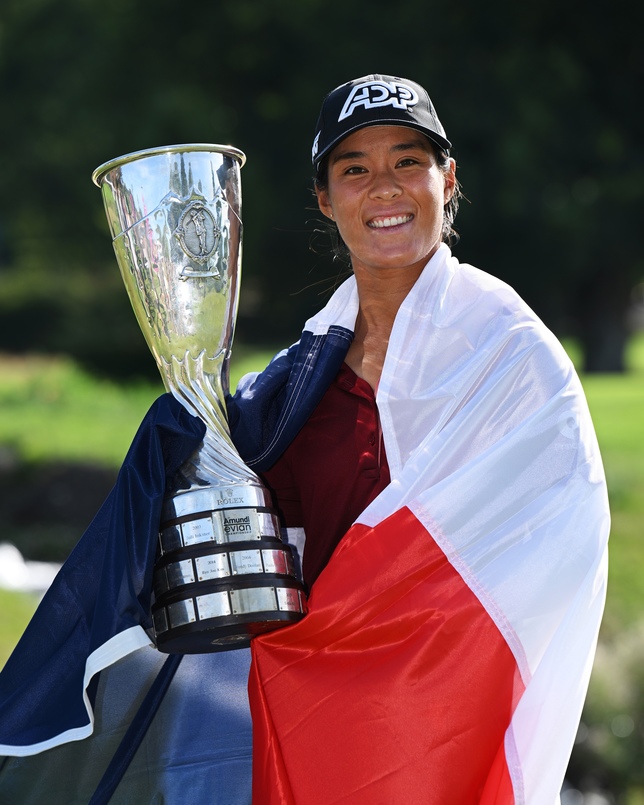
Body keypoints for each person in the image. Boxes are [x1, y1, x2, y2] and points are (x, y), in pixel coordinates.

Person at [0, 74, 609, 805]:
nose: (384, 187)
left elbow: (554, 546)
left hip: (435, 725)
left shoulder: (511, 356)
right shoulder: (292, 390)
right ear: (326, 199)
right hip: (304, 733)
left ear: (447, 179)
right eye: (355, 168)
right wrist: (191, 446)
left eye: (407, 161)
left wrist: (358, 636)